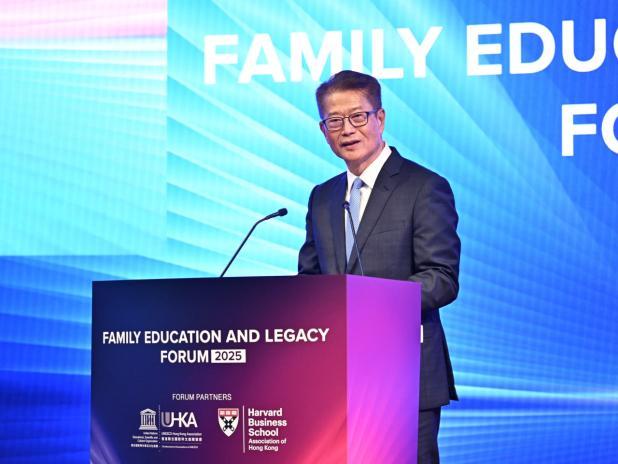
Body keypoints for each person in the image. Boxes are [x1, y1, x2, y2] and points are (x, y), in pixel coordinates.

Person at [298, 70, 461, 463]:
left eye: (358, 116)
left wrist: (370, 304)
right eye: (334, 121)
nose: (347, 129)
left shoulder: (424, 187)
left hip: (405, 372)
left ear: (380, 118)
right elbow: (309, 282)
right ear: (323, 130)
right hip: (337, 378)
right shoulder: (322, 196)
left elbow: (441, 277)